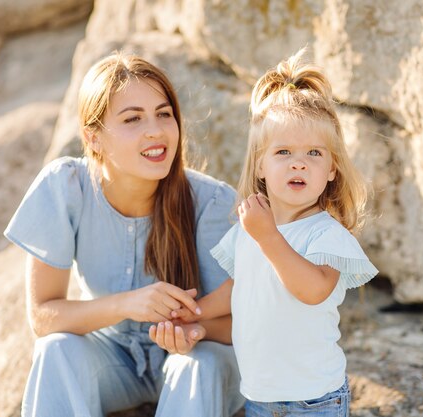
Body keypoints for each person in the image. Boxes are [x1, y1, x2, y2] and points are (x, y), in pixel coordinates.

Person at [4, 51, 244, 417]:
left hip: (193, 356)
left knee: (201, 365)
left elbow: (241, 321)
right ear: (93, 137)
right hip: (109, 358)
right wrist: (128, 304)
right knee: (56, 350)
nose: (155, 130)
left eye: (164, 114)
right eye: (133, 118)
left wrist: (193, 330)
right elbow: (43, 317)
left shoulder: (212, 202)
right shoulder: (65, 187)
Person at [170, 48, 379, 417]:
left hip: (314, 400)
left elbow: (314, 290)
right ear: (261, 166)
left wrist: (267, 236)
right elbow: (237, 288)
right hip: (259, 396)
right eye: (283, 151)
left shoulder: (325, 234)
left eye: (314, 153)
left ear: (332, 169)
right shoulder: (251, 225)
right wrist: (195, 313)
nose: (299, 162)